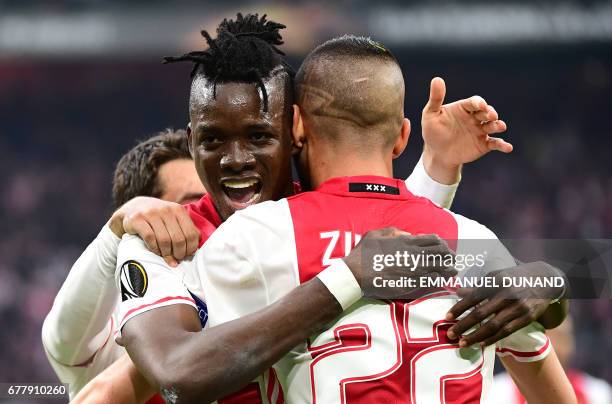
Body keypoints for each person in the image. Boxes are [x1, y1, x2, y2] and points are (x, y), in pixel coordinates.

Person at [68, 13, 527, 404]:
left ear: (295, 132)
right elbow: (126, 373)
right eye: (212, 140)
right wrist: (112, 236)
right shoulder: (164, 241)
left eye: (259, 136)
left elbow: (401, 237)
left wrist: (546, 284)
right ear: (193, 143)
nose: (236, 160)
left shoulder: (298, 228)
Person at [42, 129, 205, 400]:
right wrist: (116, 229)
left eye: (210, 202)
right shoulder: (114, 325)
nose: (206, 216)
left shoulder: (237, 288)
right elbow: (62, 339)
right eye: (189, 207)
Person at [493, 316, 612, 404]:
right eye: (552, 336)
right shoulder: (498, 391)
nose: (558, 346)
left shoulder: (596, 391)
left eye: (564, 336)